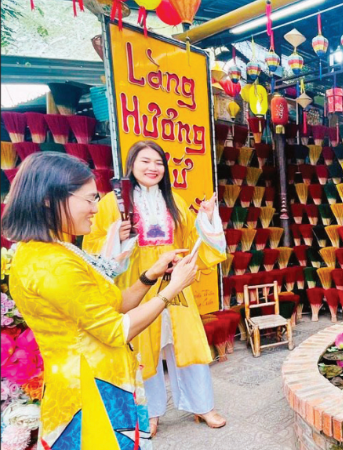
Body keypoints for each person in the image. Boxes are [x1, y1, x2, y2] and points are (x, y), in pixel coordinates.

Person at [2, 152, 200, 449]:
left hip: (102, 381)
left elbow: (113, 304)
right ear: (48, 199)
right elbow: (117, 329)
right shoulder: (52, 265)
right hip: (90, 393)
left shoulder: (56, 250)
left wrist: (150, 275)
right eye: (89, 199)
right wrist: (174, 288)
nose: (96, 209)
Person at [83, 140, 227, 435]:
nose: (153, 168)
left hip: (175, 282)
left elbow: (193, 240)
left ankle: (203, 406)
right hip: (138, 284)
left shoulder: (174, 200)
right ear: (131, 165)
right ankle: (150, 412)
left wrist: (208, 216)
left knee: (188, 343)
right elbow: (93, 247)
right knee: (142, 351)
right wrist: (115, 237)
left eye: (159, 163)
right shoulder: (112, 203)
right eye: (145, 161)